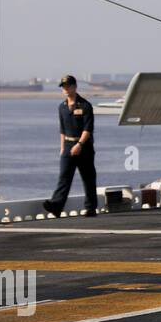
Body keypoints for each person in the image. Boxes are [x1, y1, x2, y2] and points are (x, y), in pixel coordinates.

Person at [42, 75, 98, 217]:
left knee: (88, 177)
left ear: (74, 87)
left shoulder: (85, 105)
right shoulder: (62, 107)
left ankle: (91, 207)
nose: (65, 89)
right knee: (64, 177)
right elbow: (62, 129)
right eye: (63, 87)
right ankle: (56, 206)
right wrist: (62, 148)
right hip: (68, 145)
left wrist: (79, 144)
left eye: (68, 86)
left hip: (83, 146)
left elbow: (88, 129)